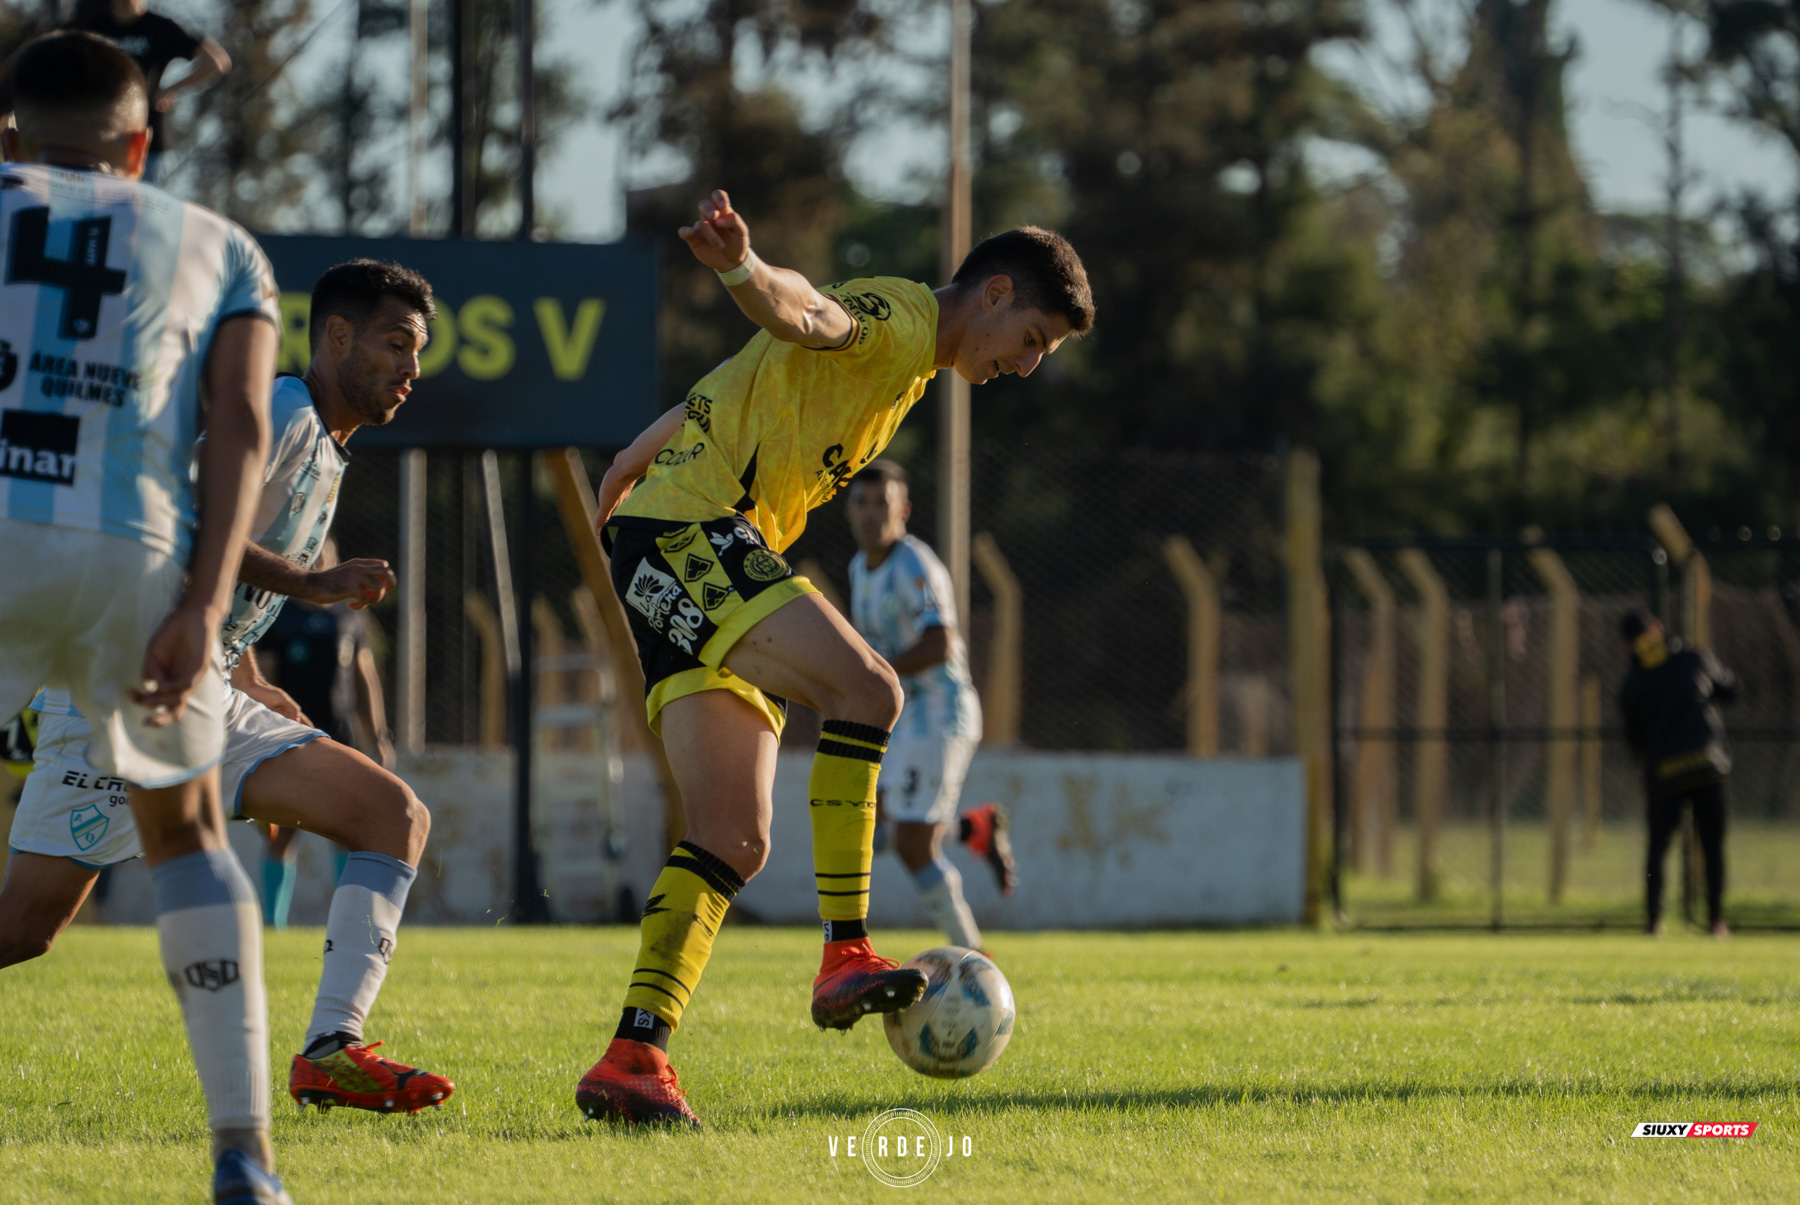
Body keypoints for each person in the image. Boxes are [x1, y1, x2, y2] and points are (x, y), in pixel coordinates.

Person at [577, 187, 1092, 1128]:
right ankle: (846, 949)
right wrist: (741, 265)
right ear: (996, 292)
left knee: (734, 834)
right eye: (1031, 340)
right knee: (871, 688)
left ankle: (634, 1056)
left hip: (668, 541)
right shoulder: (899, 321)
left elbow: (734, 379)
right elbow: (805, 310)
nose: (1025, 365)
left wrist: (627, 461)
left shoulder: (914, 374)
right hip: (695, 535)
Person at [1, 260, 454, 1137]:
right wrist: (316, 586)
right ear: (336, 336)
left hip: (203, 688)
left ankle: (331, 1050)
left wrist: (251, 678)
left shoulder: (326, 446)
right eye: (397, 343)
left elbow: (212, 583)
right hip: (126, 687)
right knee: (22, 929)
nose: (411, 368)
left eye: (419, 351)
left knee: (392, 814)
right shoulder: (285, 412)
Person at [0, 32, 283, 1204]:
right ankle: (244, 1155)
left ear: (13, 136)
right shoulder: (220, 245)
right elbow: (243, 430)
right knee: (189, 838)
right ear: (142, 142)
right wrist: (208, 605)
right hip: (137, 557)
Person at [844, 459, 1015, 953]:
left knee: (913, 844)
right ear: (850, 512)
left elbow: (940, 643)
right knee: (873, 830)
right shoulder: (859, 568)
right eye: (862, 503)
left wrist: (875, 677)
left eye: (883, 503)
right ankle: (974, 828)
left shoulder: (914, 564)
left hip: (941, 712)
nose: (872, 514)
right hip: (903, 718)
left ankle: (974, 957)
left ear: (904, 510)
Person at [255, 538, 395, 928]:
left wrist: (378, 734)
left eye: (325, 555)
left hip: (340, 735)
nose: (319, 561)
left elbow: (364, 675)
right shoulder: (278, 617)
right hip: (291, 737)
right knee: (282, 834)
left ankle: (347, 921)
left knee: (344, 829)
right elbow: (262, 680)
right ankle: (272, 924)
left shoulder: (349, 616)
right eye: (311, 555)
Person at [1617, 610, 1738, 938]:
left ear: (1627, 644)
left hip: (1664, 772)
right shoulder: (1693, 658)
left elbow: (1633, 736)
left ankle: (1654, 921)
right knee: (1712, 846)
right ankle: (1716, 921)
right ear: (1657, 628)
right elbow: (1730, 690)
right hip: (1707, 765)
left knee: (1657, 848)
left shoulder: (1634, 679)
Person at [64, 0, 229, 184]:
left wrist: (170, 89)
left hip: (148, 148)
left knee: (142, 211)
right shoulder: (92, 26)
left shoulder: (160, 27)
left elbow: (215, 62)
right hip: (98, 144)